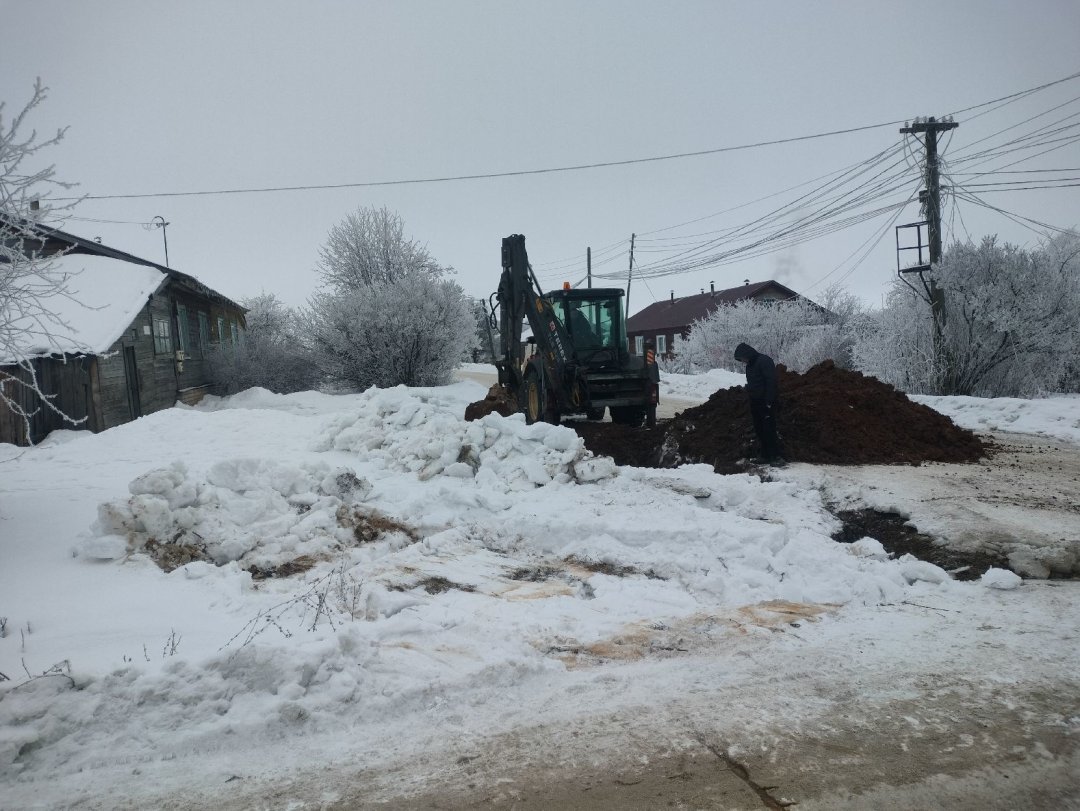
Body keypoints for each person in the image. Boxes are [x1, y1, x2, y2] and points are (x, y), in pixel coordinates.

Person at [733, 342, 784, 465]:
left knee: (769, 430)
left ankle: (776, 457)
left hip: (766, 402)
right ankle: (765, 455)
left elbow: (771, 381)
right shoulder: (749, 365)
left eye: (743, 358)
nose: (743, 361)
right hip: (755, 402)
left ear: (747, 353)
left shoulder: (764, 361)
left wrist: (769, 401)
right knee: (759, 430)